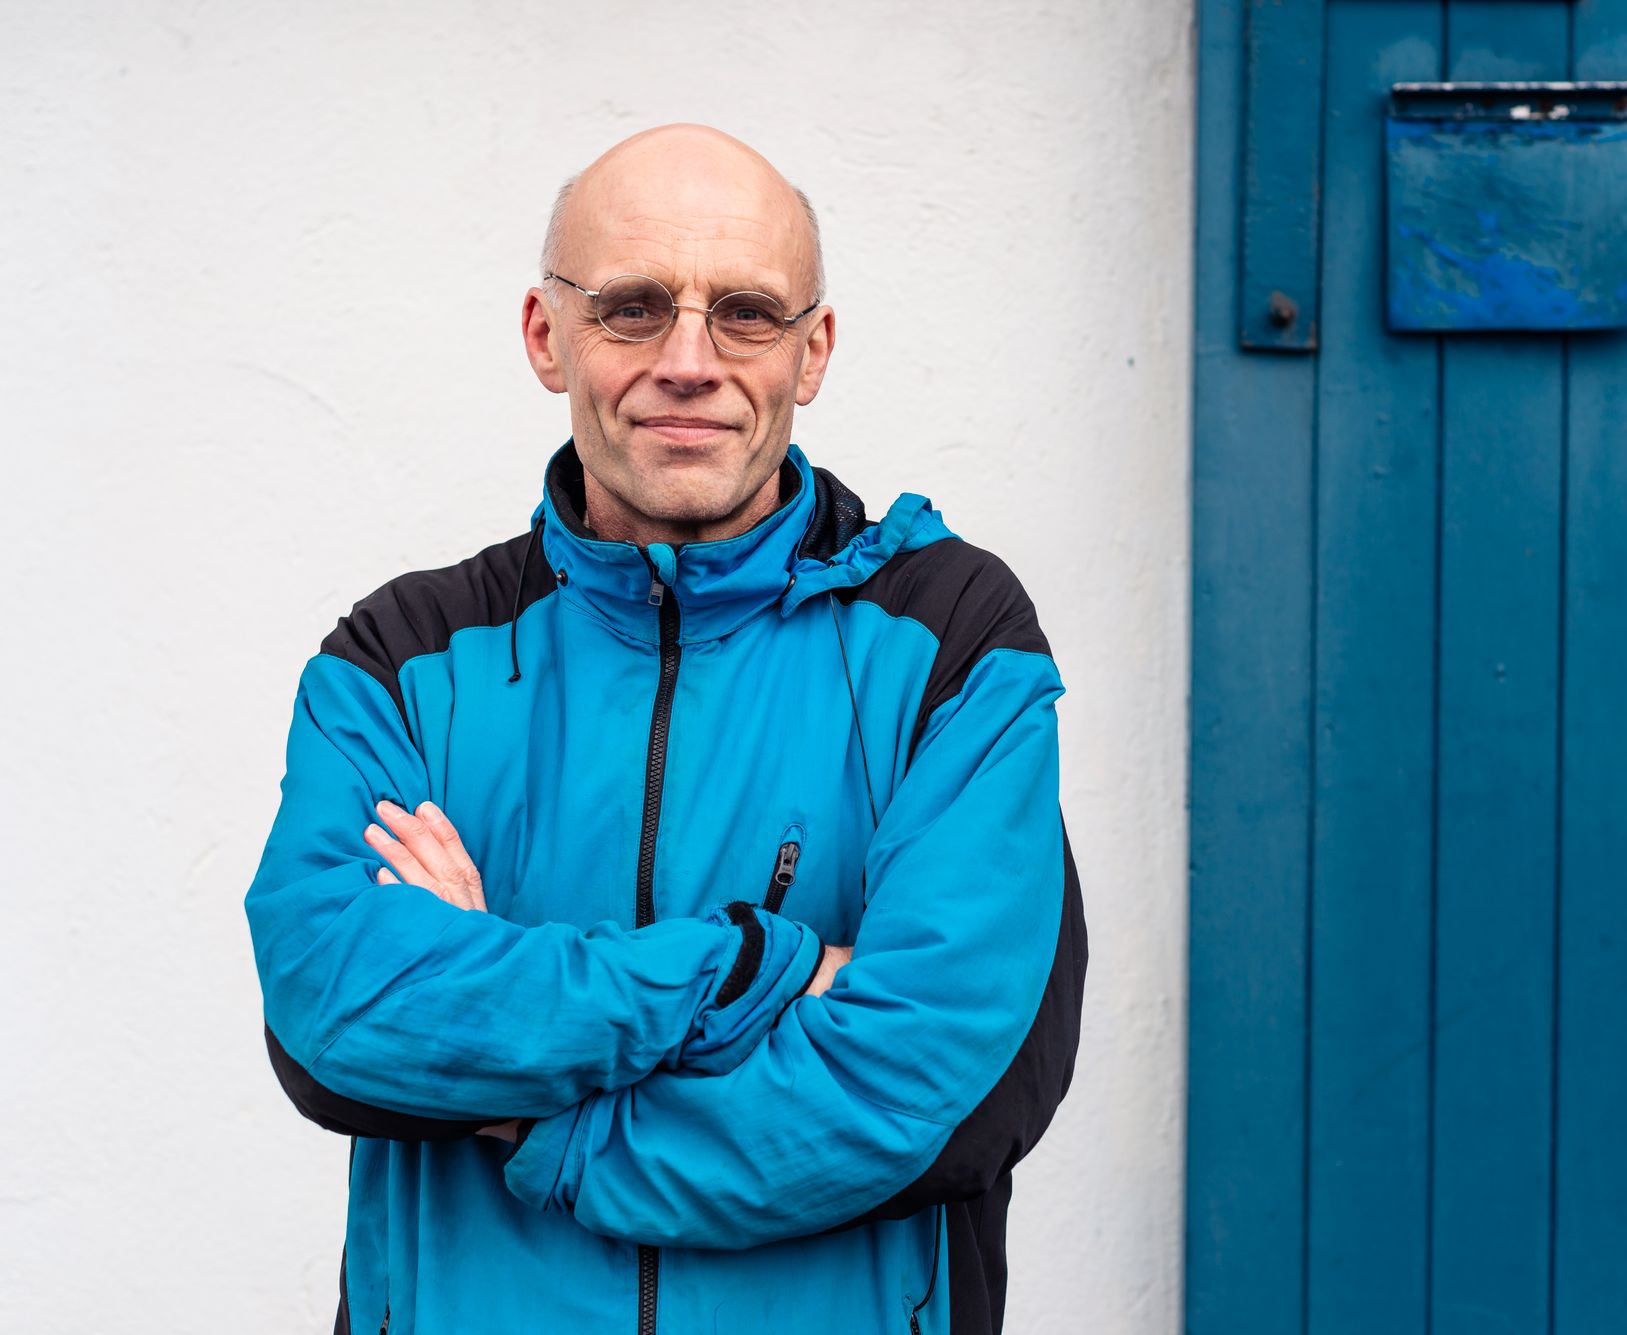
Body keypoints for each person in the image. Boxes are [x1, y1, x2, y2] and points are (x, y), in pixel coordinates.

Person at [244, 123, 1087, 1335]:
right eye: (632, 308)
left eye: (744, 312)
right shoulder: (402, 660)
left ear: (814, 352)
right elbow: (340, 1016)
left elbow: (931, 1092)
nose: (688, 360)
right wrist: (760, 970)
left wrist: (526, 1101)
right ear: (547, 335)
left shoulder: (950, 640)